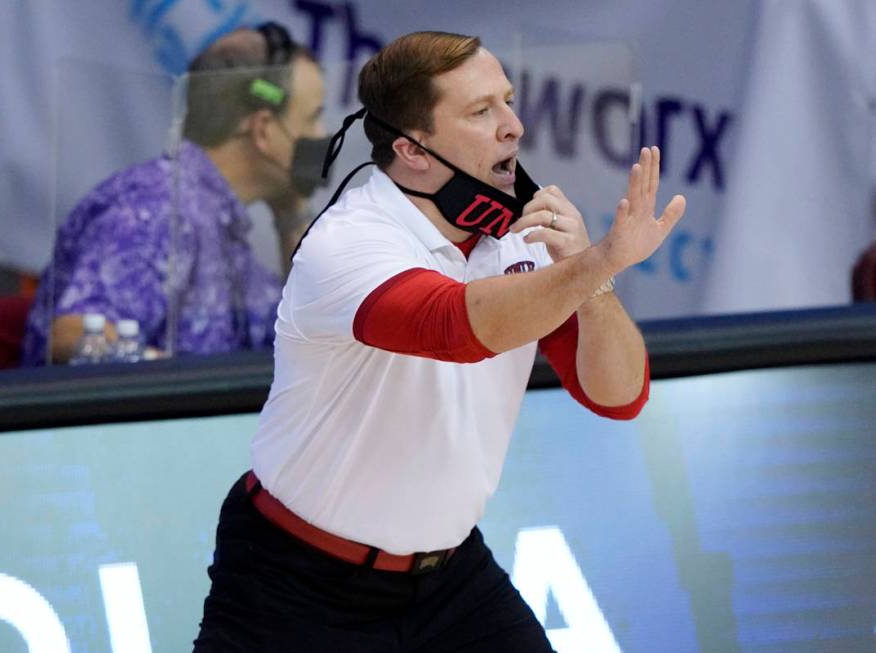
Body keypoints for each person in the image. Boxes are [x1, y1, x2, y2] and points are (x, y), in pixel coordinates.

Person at [193, 31, 687, 652]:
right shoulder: (347, 242)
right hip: (296, 582)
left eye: (508, 102)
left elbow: (618, 396)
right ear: (412, 149)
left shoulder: (523, 235)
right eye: (482, 112)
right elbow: (457, 328)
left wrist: (595, 280)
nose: (514, 127)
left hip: (450, 579)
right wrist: (597, 261)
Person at [21, 22, 327, 365]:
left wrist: (292, 213)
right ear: (264, 129)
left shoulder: (218, 222)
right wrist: (180, 385)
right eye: (314, 117)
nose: (323, 133)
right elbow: (75, 335)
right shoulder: (160, 211)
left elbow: (306, 343)